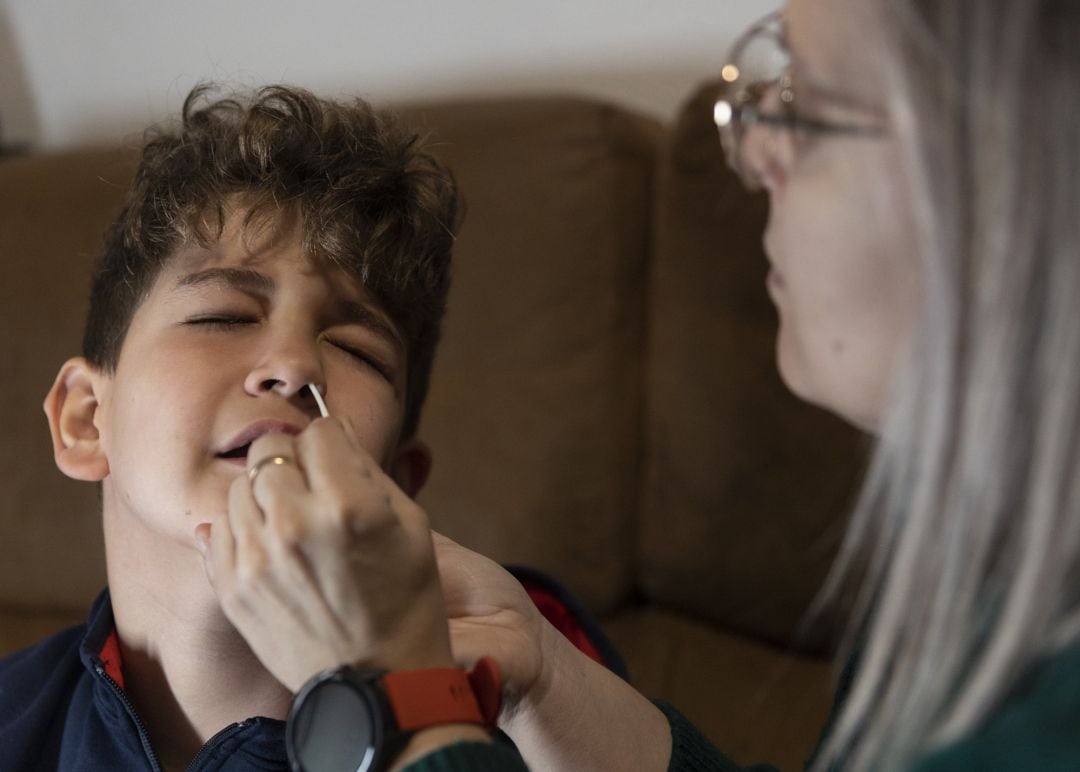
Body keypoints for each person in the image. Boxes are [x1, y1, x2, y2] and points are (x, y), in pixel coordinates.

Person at [185, 0, 1080, 770]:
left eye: (806, 105)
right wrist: (539, 667)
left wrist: (386, 691)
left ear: (1008, 179)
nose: (753, 152)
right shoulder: (981, 597)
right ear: (78, 416)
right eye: (223, 315)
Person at [0, 83, 540, 770]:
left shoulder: (531, 687)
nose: (291, 364)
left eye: (357, 350)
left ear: (396, 485)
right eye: (223, 316)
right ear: (85, 419)